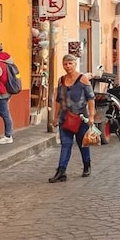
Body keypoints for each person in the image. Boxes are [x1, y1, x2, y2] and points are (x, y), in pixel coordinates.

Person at [49, 54, 97, 183]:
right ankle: (61, 171)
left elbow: (91, 98)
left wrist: (91, 115)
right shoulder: (61, 80)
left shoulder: (83, 80)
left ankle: (87, 165)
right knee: (66, 144)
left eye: (70, 63)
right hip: (65, 118)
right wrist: (56, 116)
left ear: (75, 64)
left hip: (81, 118)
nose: (68, 66)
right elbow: (58, 100)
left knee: (83, 144)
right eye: (65, 64)